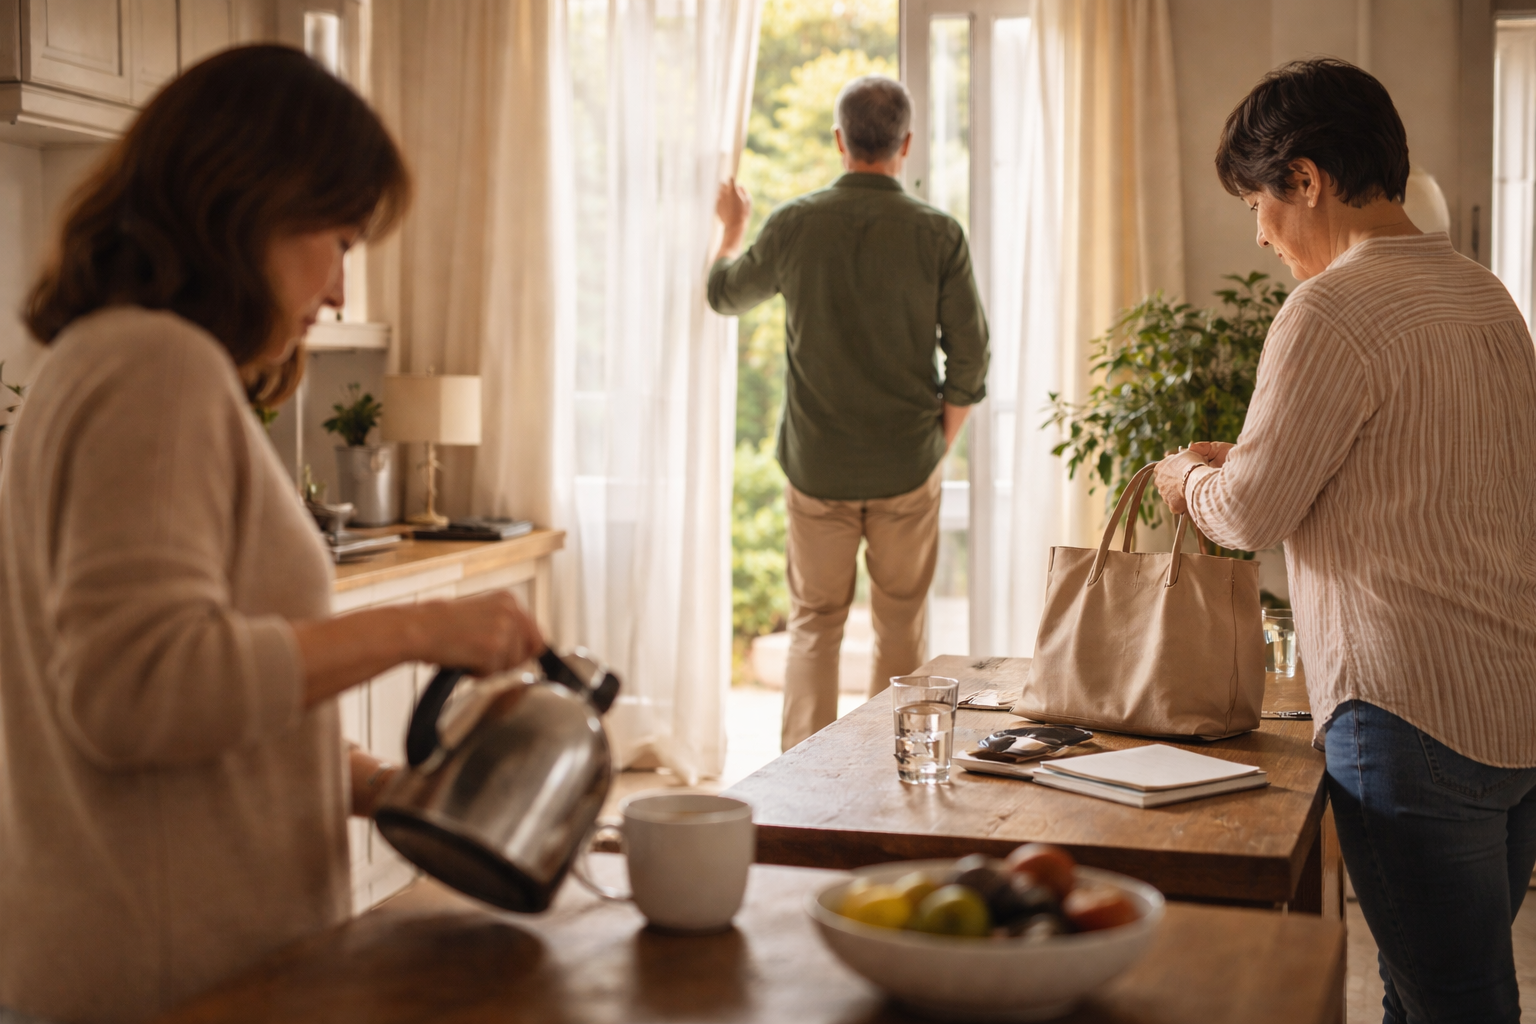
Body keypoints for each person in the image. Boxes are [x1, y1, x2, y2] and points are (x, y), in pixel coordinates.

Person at [0, 46, 544, 1024]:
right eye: (338, 237)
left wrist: (385, 785)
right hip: (176, 979)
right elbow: (139, 692)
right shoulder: (152, 368)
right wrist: (424, 625)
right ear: (246, 205)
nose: (339, 288)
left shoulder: (104, 360)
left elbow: (197, 719)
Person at [1155, 59, 1536, 1024]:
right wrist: (1247, 462)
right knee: (1438, 998)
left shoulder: (1327, 309)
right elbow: (1427, 475)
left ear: (1309, 179)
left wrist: (1183, 478)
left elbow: (1245, 517)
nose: (1261, 233)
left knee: (1455, 1006)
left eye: (1259, 202)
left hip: (1407, 711)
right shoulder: (1486, 296)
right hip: (1517, 703)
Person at [707, 75, 989, 751]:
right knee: (899, 625)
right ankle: (893, 771)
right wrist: (937, 445)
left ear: (840, 141)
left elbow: (724, 295)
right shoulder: (938, 232)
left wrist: (730, 230)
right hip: (906, 464)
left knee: (814, 624)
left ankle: (801, 783)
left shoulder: (796, 223)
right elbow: (971, 361)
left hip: (817, 468)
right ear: (907, 144)